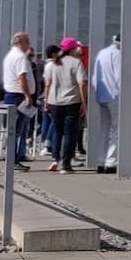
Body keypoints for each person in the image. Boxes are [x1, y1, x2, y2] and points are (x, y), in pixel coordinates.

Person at [43, 38, 87, 174]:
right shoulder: (76, 63)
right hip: (72, 101)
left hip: (54, 102)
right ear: (73, 49)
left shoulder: (52, 64)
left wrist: (46, 100)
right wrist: (84, 102)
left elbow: (47, 84)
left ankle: (55, 158)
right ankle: (66, 164)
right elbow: (82, 83)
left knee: (57, 130)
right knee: (70, 133)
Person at [0, 32, 35, 169]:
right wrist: (27, 95)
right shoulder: (20, 57)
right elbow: (22, 77)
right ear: (20, 42)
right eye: (28, 41)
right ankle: (12, 160)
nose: (29, 44)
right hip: (18, 96)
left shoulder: (10, 56)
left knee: (13, 130)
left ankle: (12, 158)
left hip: (11, 95)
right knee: (15, 130)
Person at [91, 36, 121, 173]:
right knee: (117, 130)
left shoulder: (102, 53)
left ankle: (100, 161)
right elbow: (119, 77)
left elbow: (94, 77)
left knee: (104, 130)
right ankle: (111, 162)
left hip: (101, 95)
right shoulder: (118, 54)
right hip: (114, 95)